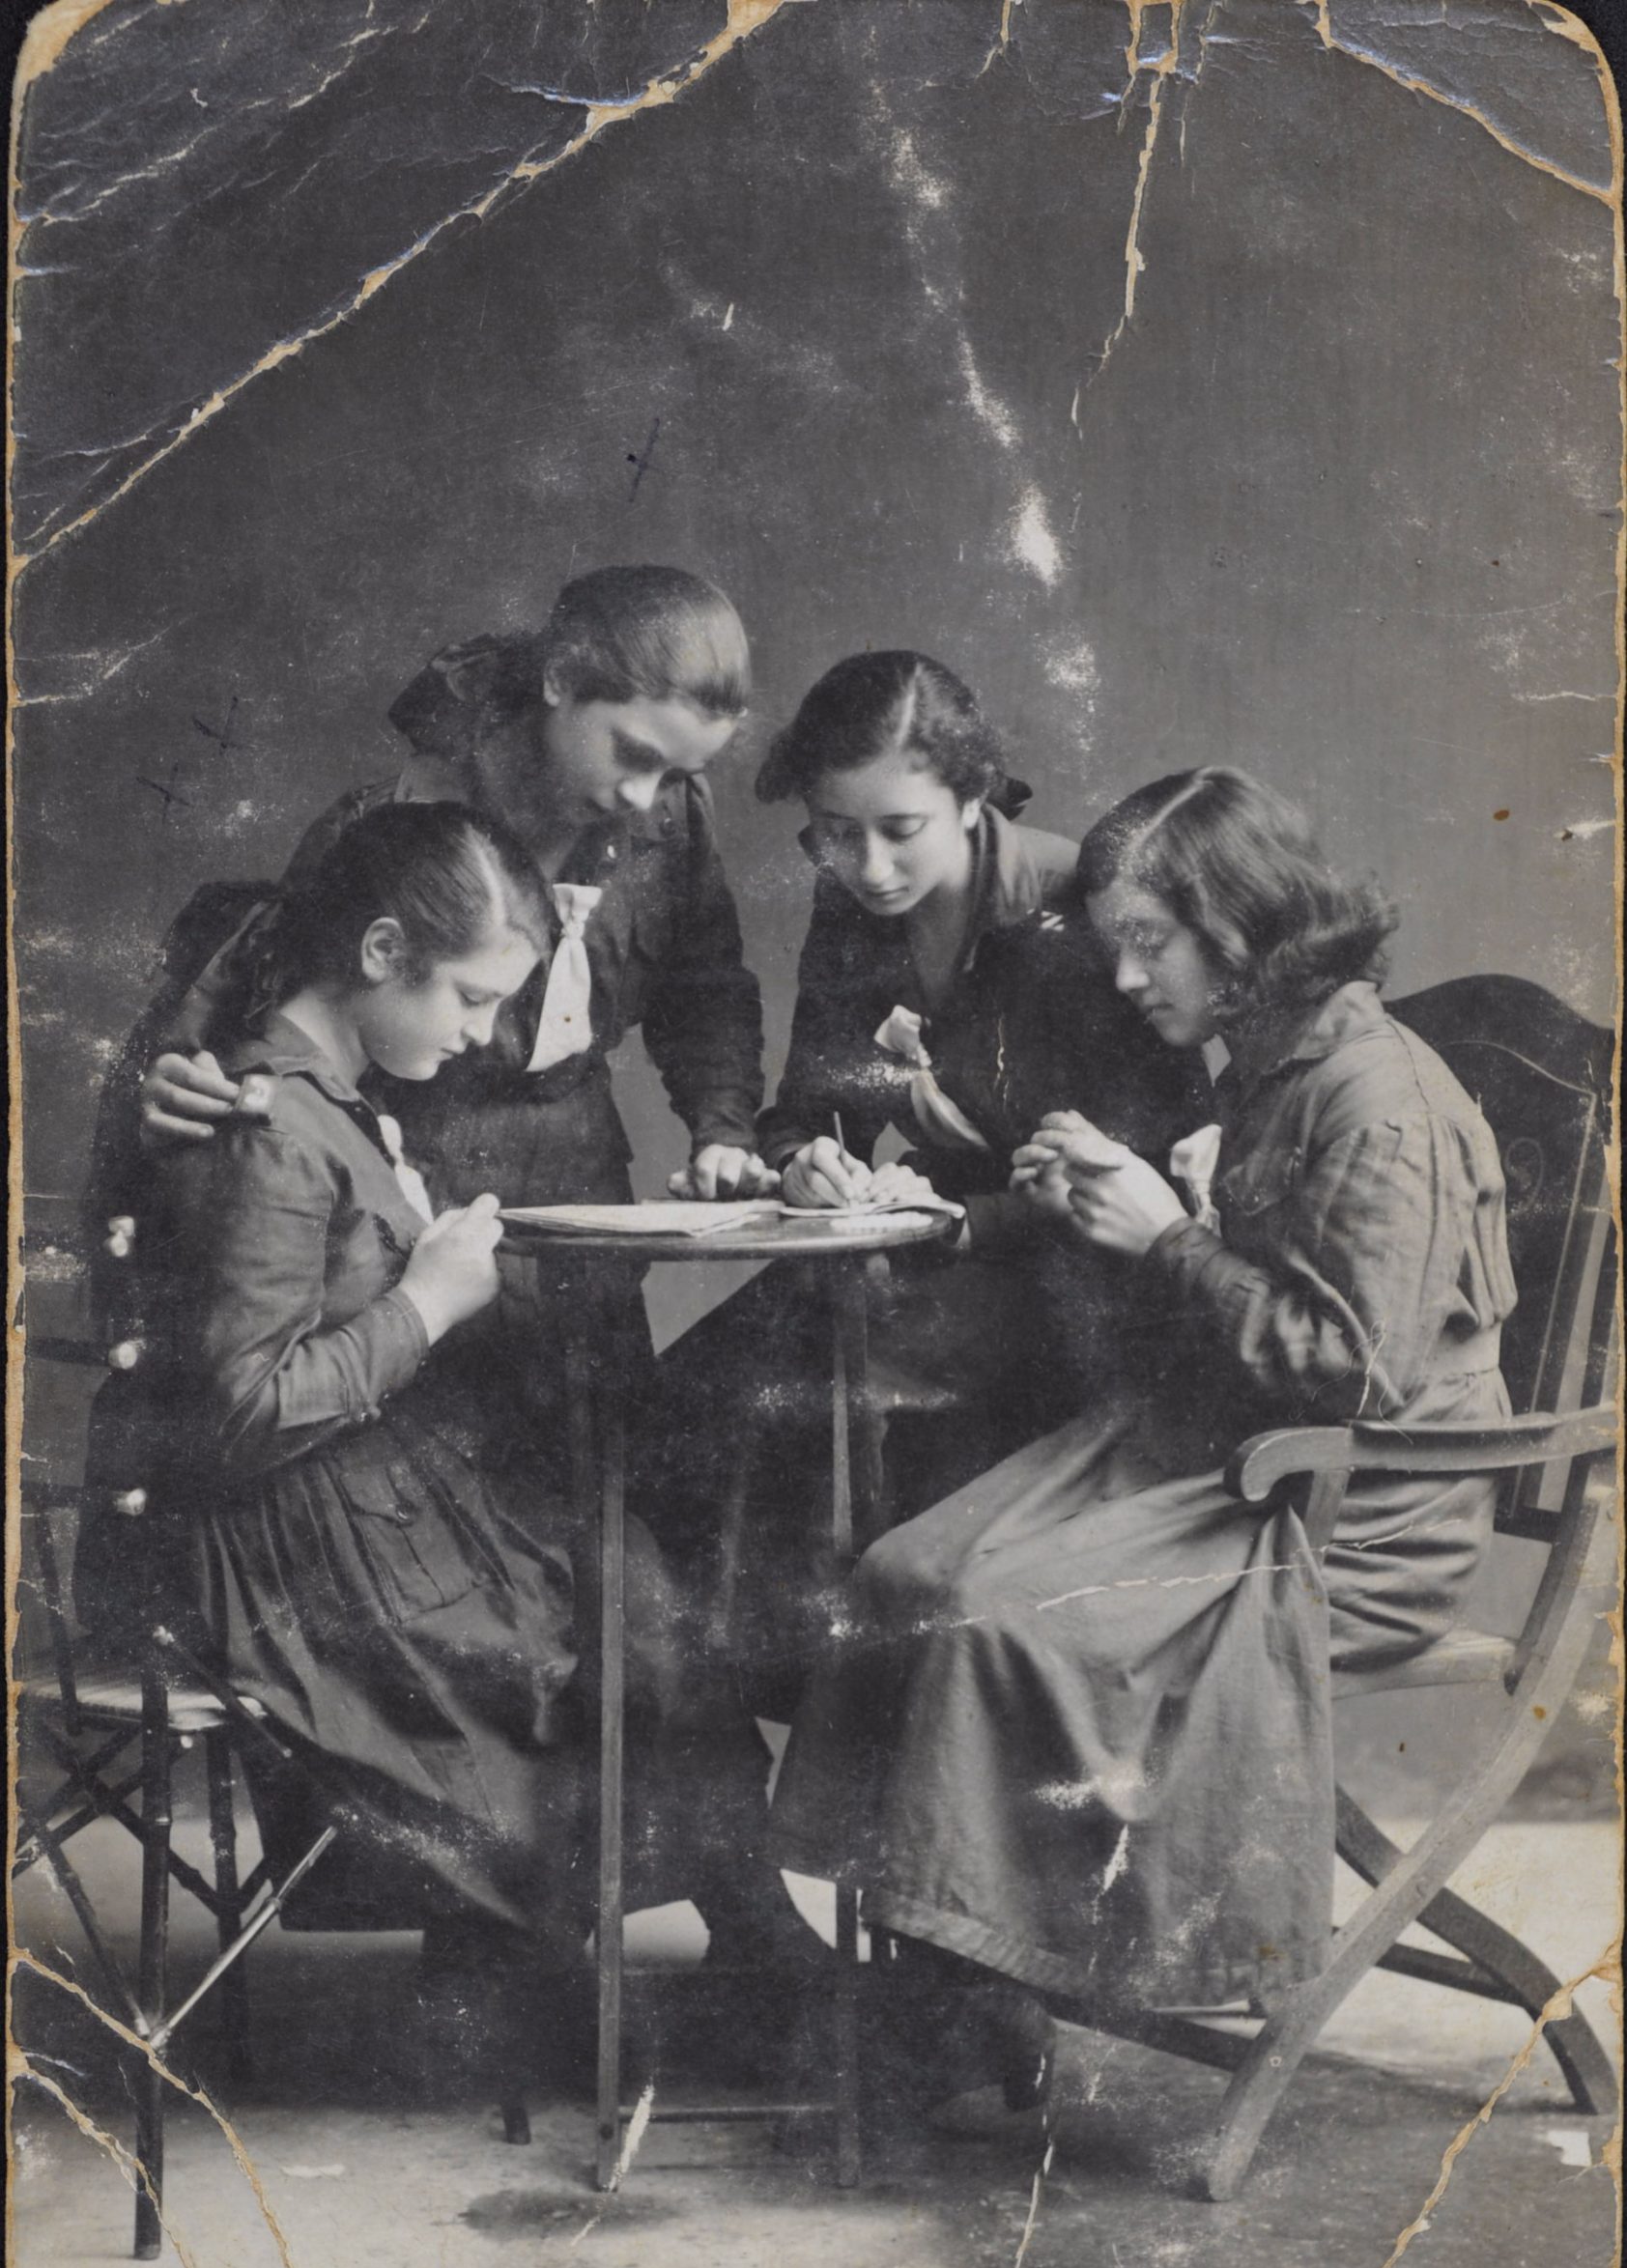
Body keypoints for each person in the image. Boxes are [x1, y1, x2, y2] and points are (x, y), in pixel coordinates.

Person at [767, 766, 1516, 2111]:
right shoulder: (1280, 1059)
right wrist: (1120, 1205)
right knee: (906, 1571)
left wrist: (1168, 1239)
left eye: (1151, 943)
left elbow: (1356, 1377)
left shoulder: (1379, 1102)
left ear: (1243, 925)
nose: (1124, 979)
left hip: (1350, 1520)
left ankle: (978, 2000)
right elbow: (1278, 1292)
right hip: (1235, 1457)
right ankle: (958, 1981)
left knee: (998, 1617)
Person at [77, 802, 798, 2082]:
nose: (480, 1035)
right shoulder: (268, 1126)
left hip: (353, 1498)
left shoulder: (329, 1102)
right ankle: (592, 1980)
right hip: (267, 1549)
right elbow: (235, 1418)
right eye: (469, 999)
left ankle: (688, 1966)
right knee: (591, 1622)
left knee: (629, 1584)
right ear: (380, 953)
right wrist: (424, 1303)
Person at [89, 566, 775, 1450]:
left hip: (580, 1191)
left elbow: (706, 987)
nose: (646, 796)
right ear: (561, 679)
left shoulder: (671, 816)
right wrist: (184, 1078)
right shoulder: (398, 818)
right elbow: (273, 1020)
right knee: (435, 1467)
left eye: (677, 772)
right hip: (419, 1191)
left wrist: (723, 1130)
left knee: (600, 1464)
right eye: (634, 754)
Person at [644, 653, 1206, 1687]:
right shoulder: (852, 910)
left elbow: (1151, 1168)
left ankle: (850, 1704)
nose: (868, 867)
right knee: (687, 1396)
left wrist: (965, 1221)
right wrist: (805, 1161)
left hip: (1082, 1284)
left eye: (900, 829)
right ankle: (724, 1706)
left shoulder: (1077, 907)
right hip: (930, 1261)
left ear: (973, 794)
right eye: (834, 833)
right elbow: (806, 1106)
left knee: (807, 1395)